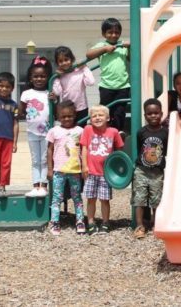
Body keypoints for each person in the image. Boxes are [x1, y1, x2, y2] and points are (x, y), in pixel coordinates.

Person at [80, 104, 124, 234]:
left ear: (108, 118)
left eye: (100, 115)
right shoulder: (88, 130)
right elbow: (84, 148)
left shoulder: (113, 132)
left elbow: (119, 149)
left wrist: (116, 167)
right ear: (90, 119)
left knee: (104, 199)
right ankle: (91, 222)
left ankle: (105, 222)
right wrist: (84, 166)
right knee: (91, 199)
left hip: (106, 173)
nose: (97, 118)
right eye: (94, 116)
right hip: (91, 171)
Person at [46, 100, 85, 235]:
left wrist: (84, 167)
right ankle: (55, 222)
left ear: (74, 115)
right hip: (59, 170)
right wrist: (50, 169)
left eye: (69, 116)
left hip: (75, 171)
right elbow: (50, 150)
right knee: (57, 197)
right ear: (58, 117)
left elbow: (84, 150)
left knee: (77, 197)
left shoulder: (80, 131)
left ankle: (80, 221)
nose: (66, 119)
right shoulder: (54, 131)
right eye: (63, 116)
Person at [86, 18, 130, 133]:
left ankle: (118, 132)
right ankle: (105, 132)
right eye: (110, 32)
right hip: (106, 86)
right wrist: (105, 49)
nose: (113, 35)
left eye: (116, 32)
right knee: (105, 111)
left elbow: (132, 58)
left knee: (120, 112)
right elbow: (89, 54)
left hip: (122, 86)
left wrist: (129, 47)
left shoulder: (122, 46)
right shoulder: (102, 45)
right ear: (104, 34)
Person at [19, 55, 55, 198]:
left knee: (45, 159)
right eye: (36, 76)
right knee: (35, 160)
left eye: (42, 76)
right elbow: (21, 111)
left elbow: (56, 112)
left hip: (47, 132)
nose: (39, 79)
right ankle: (35, 186)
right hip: (31, 131)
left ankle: (44, 187)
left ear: (47, 77)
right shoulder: (26, 93)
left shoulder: (49, 94)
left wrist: (55, 100)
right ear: (30, 78)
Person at [132, 98, 168, 239]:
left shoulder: (165, 133)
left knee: (156, 200)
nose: (153, 116)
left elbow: (166, 151)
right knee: (139, 199)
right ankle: (140, 226)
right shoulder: (141, 132)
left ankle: (156, 224)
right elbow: (139, 148)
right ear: (145, 115)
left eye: (156, 113)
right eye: (149, 113)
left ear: (161, 113)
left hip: (157, 172)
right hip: (142, 170)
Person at [52, 46, 95, 124]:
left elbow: (91, 82)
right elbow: (57, 92)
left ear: (72, 59)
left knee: (81, 131)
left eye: (66, 59)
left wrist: (84, 67)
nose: (64, 63)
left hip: (81, 107)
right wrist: (57, 77)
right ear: (57, 63)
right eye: (60, 61)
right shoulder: (60, 76)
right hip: (67, 109)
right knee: (69, 132)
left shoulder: (80, 71)